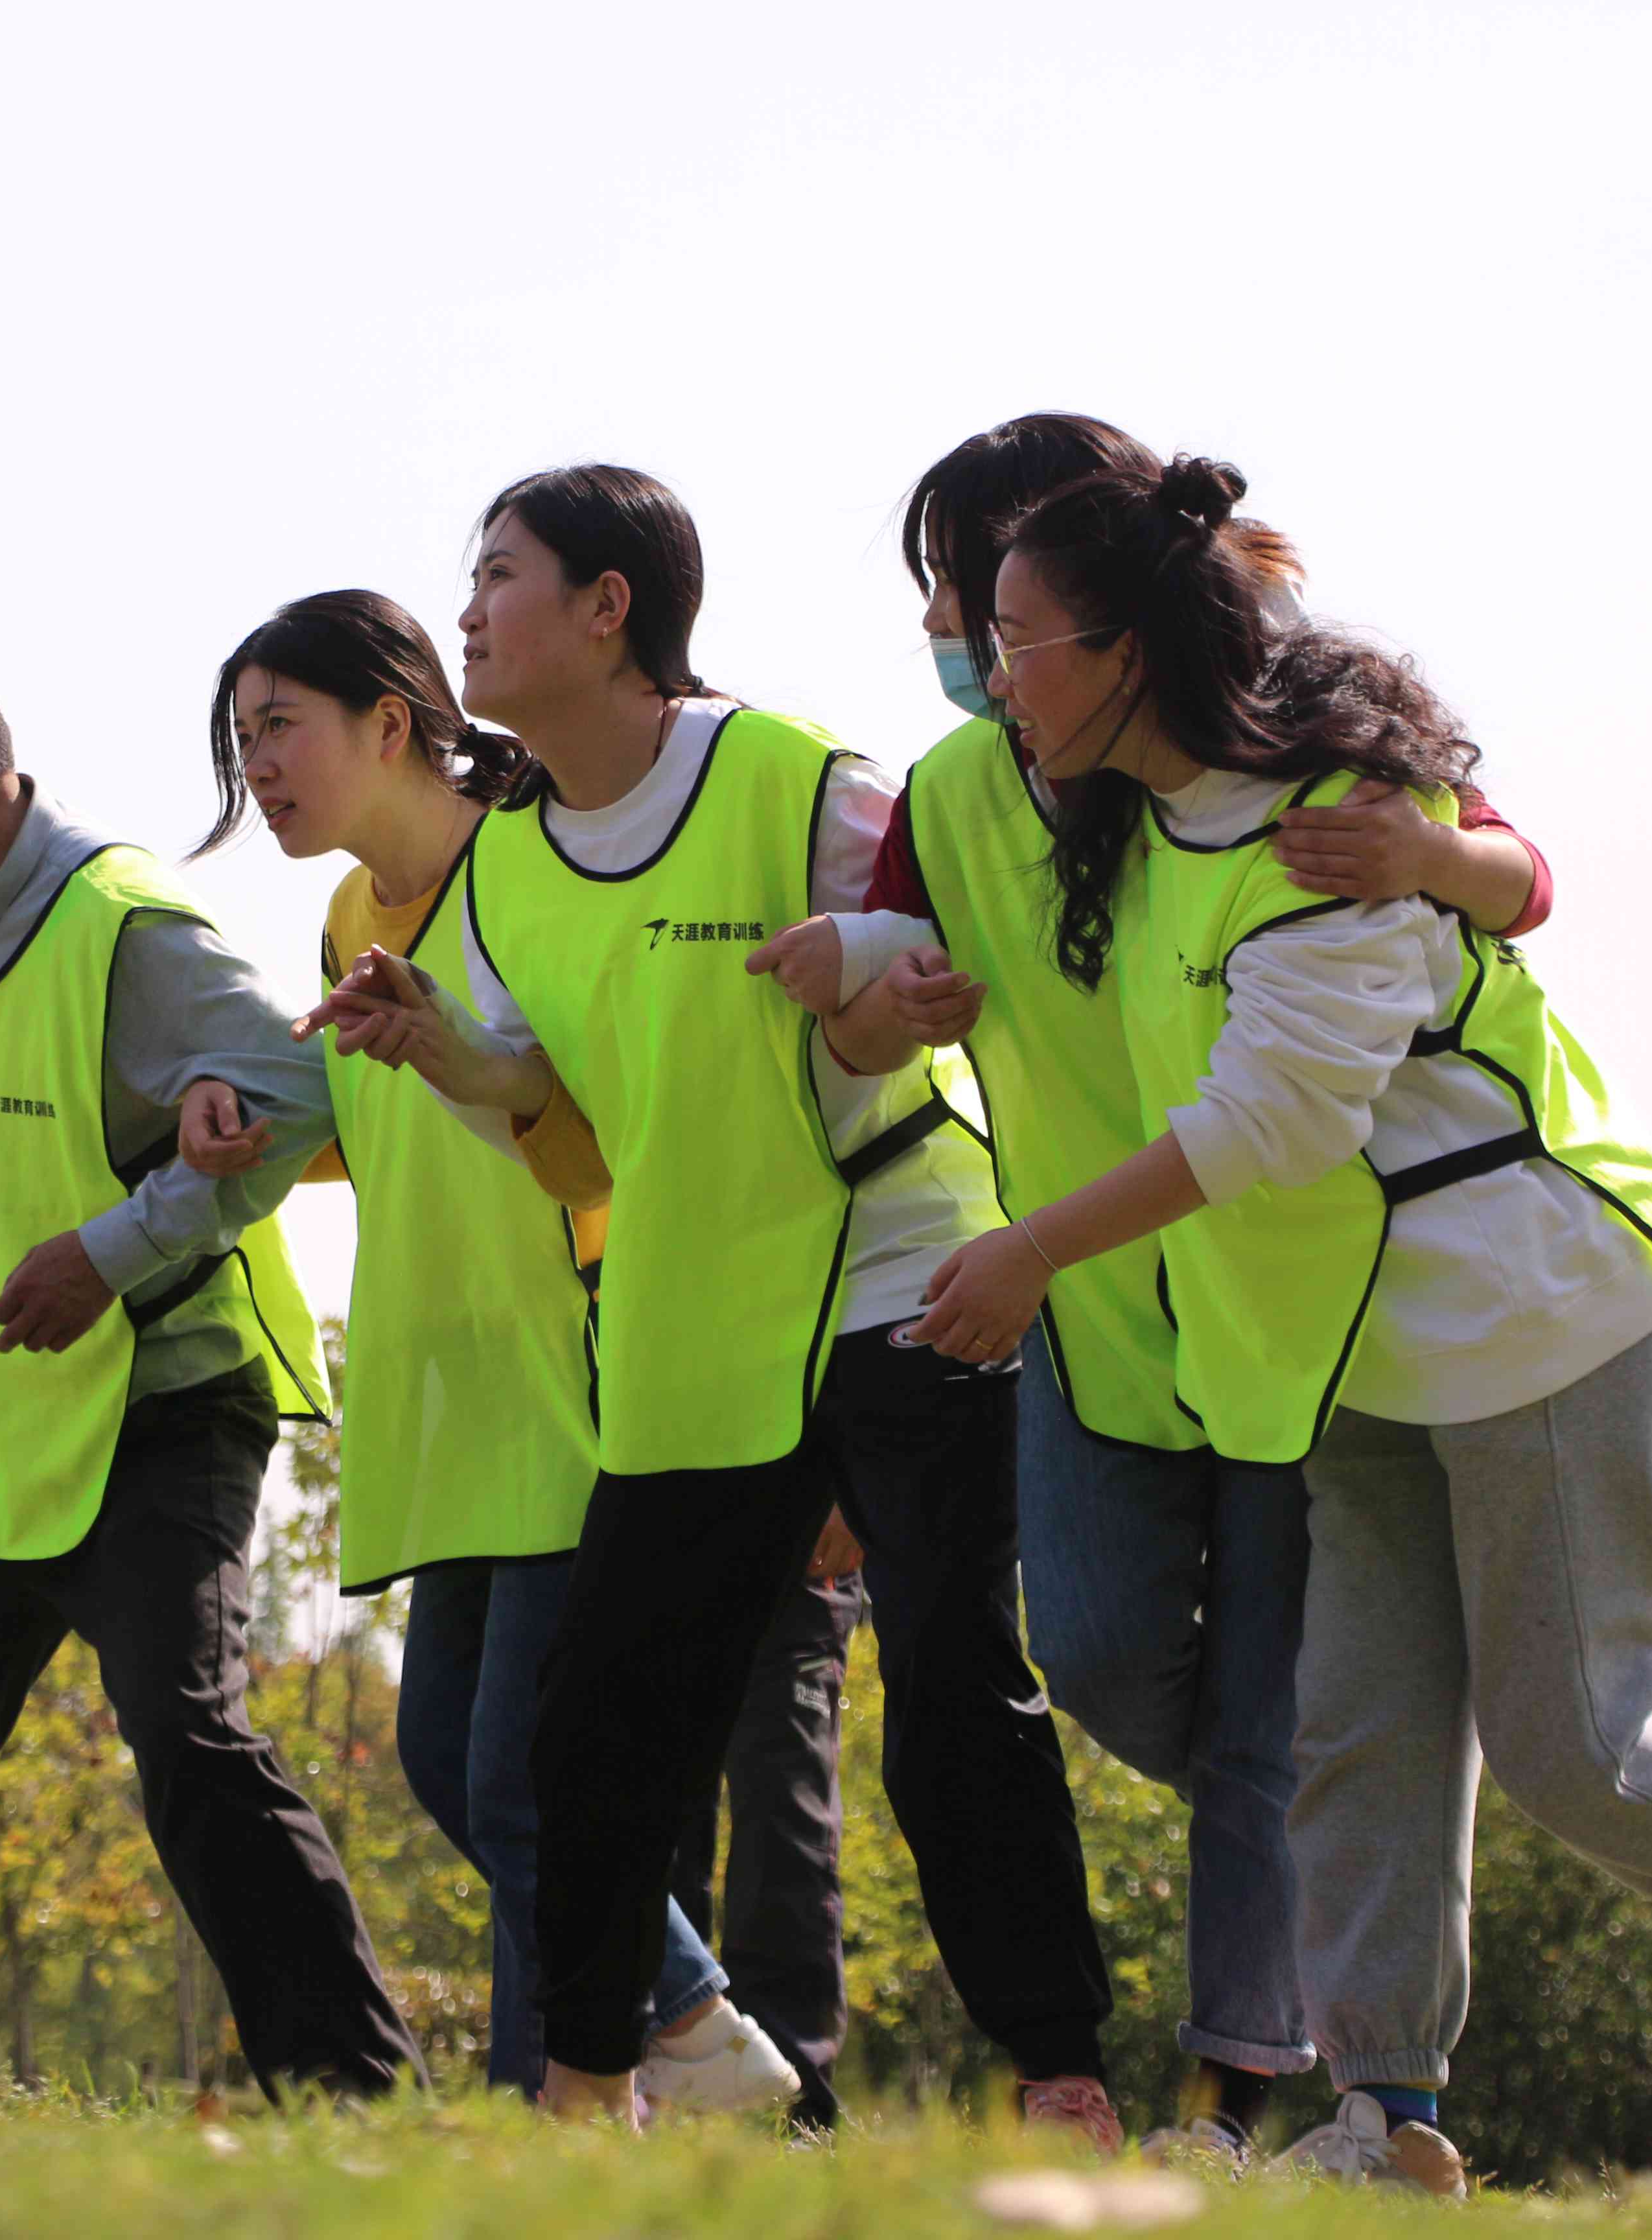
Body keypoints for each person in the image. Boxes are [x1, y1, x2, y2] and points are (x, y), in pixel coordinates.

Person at [872, 450, 1652, 2195]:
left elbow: (1275, 1118)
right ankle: (1383, 2124)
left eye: (1014, 635)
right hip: (1365, 1358)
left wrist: (1029, 1250)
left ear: (1120, 650)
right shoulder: (1152, 823)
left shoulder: (1322, 819)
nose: (982, 665)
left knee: (1581, 1754)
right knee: (1362, 1744)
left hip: (1537, 1321)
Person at [766, 412, 1553, 2162]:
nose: (951, 636)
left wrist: (1431, 855)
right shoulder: (969, 791)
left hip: (1287, 1306)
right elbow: (890, 978)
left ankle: (1241, 2096)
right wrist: (871, 998)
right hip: (1099, 1322)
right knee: (1120, 1664)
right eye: (945, 599)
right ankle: (1362, 1814)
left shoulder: (1245, 741)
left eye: (970, 595)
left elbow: (1515, 875)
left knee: (1283, 1709)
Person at [308, 467, 1115, 2140]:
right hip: (695, 1319)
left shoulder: (796, 779)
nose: (467, 615)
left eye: (500, 576)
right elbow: (577, 1125)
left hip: (899, 1275)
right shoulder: (512, 866)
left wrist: (882, 989)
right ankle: (592, 2090)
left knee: (954, 1688)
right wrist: (450, 1053)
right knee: (592, 1721)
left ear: (612, 609)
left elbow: (941, 980)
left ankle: (1061, 2078)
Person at [0, 608, 417, 2097]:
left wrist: (105, 1251)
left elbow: (296, 1092)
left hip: (166, 1405)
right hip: (4, 1430)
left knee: (183, 1733)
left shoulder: (124, 920)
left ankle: (354, 2085)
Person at [176, 589, 798, 2112]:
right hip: (441, 1379)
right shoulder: (341, 917)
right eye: (237, 737)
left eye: (277, 727)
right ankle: (687, 2041)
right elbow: (386, 1113)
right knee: (453, 1757)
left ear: (392, 724)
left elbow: (594, 1131)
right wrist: (251, 1115)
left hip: (578, 1353)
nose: (255, 766)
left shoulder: (525, 871)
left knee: (530, 1761)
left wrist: (458, 1058)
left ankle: (662, 2069)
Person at [669, 1531, 861, 2131]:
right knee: (653, 1817)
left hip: (798, 1524)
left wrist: (841, 1485)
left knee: (786, 1821)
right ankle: (664, 2088)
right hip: (651, 1517)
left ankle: (794, 2109)